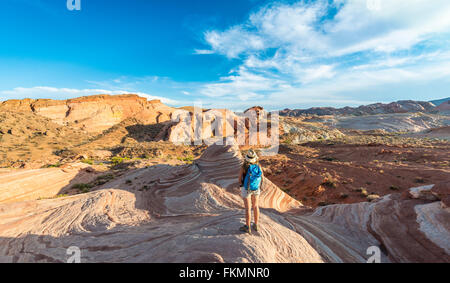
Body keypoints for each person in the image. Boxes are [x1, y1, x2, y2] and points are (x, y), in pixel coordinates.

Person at [238, 149, 263, 234]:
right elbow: (261, 177)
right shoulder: (258, 166)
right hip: (256, 188)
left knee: (248, 208)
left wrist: (241, 185)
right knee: (256, 206)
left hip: (247, 189)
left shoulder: (244, 166)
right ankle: (256, 225)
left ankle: (247, 227)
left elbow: (239, 179)